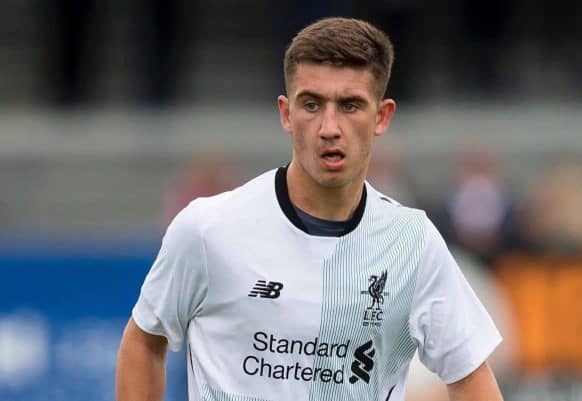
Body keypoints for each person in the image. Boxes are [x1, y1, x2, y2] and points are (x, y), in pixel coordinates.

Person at [115, 17, 504, 401]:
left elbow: (470, 375)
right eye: (312, 104)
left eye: (350, 105)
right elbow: (145, 340)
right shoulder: (208, 229)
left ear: (382, 116)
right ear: (286, 113)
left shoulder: (412, 242)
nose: (329, 127)